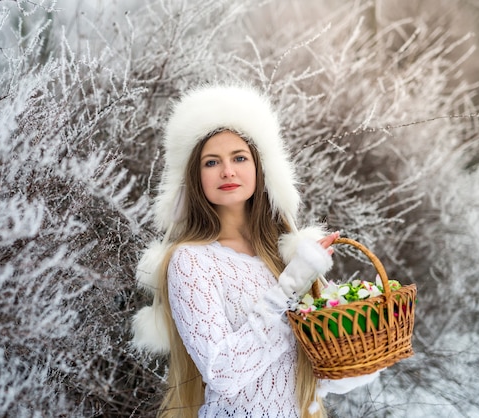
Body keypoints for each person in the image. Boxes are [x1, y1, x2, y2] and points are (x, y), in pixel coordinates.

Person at [132, 84, 377, 418]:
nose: (227, 171)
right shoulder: (191, 261)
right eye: (211, 162)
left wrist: (356, 360)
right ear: (194, 176)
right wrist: (291, 286)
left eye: (239, 157)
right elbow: (224, 372)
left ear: (261, 169)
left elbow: (299, 375)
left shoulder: (279, 258)